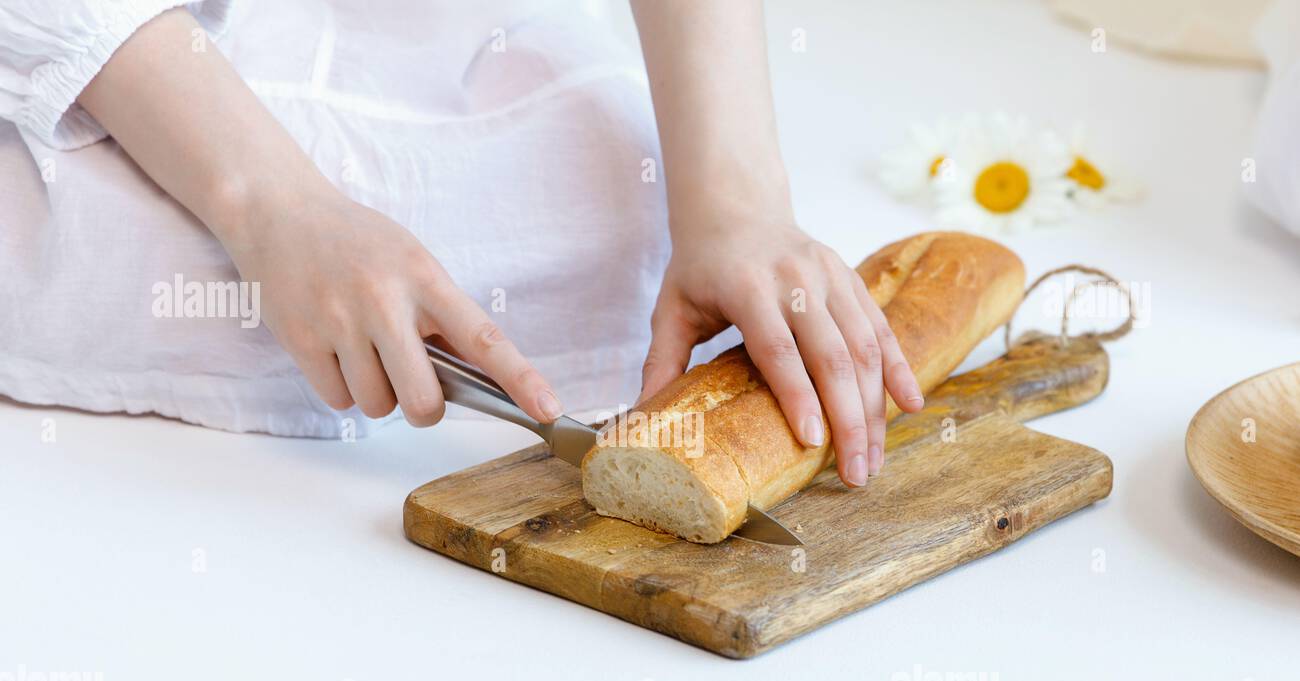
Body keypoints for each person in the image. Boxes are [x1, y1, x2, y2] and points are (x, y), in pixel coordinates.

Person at [0, 0, 922, 487]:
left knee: (614, 206)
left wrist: (738, 202)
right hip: (117, 54)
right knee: (107, 243)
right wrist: (274, 210)